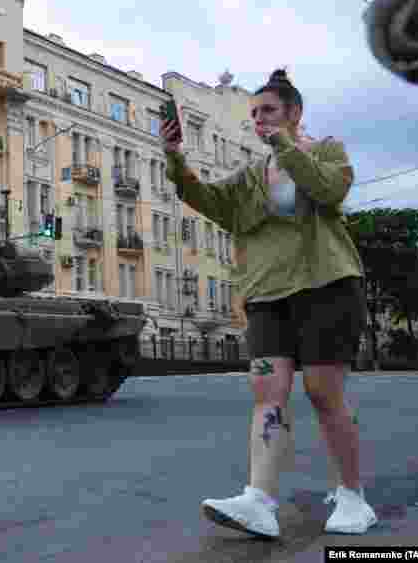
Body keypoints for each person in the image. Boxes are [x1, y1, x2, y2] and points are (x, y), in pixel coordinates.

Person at [161, 68, 377, 538]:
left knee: (324, 394)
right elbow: (207, 199)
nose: (258, 120)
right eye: (254, 113)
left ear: (294, 113)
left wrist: (285, 146)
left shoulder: (325, 151)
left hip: (325, 286)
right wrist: (174, 157)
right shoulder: (249, 177)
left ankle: (353, 495)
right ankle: (258, 500)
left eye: (268, 111)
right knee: (267, 394)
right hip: (265, 294)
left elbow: (329, 190)